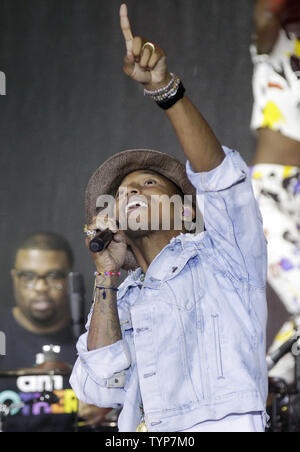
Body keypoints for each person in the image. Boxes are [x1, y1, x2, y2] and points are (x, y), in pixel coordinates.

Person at [70, 4, 269, 433]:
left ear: (184, 210)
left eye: (148, 184)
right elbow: (99, 391)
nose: (131, 192)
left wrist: (164, 89)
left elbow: (219, 178)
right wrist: (105, 276)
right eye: (122, 193)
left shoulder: (222, 257)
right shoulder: (121, 297)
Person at [0, 232, 111, 432]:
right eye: (29, 276)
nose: (41, 287)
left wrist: (108, 403)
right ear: (14, 278)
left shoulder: (97, 335)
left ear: (70, 279)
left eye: (53, 276)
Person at [250, 0, 300, 384]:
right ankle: (269, 385)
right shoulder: (275, 36)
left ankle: (275, 385)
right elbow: (267, 10)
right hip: (269, 191)